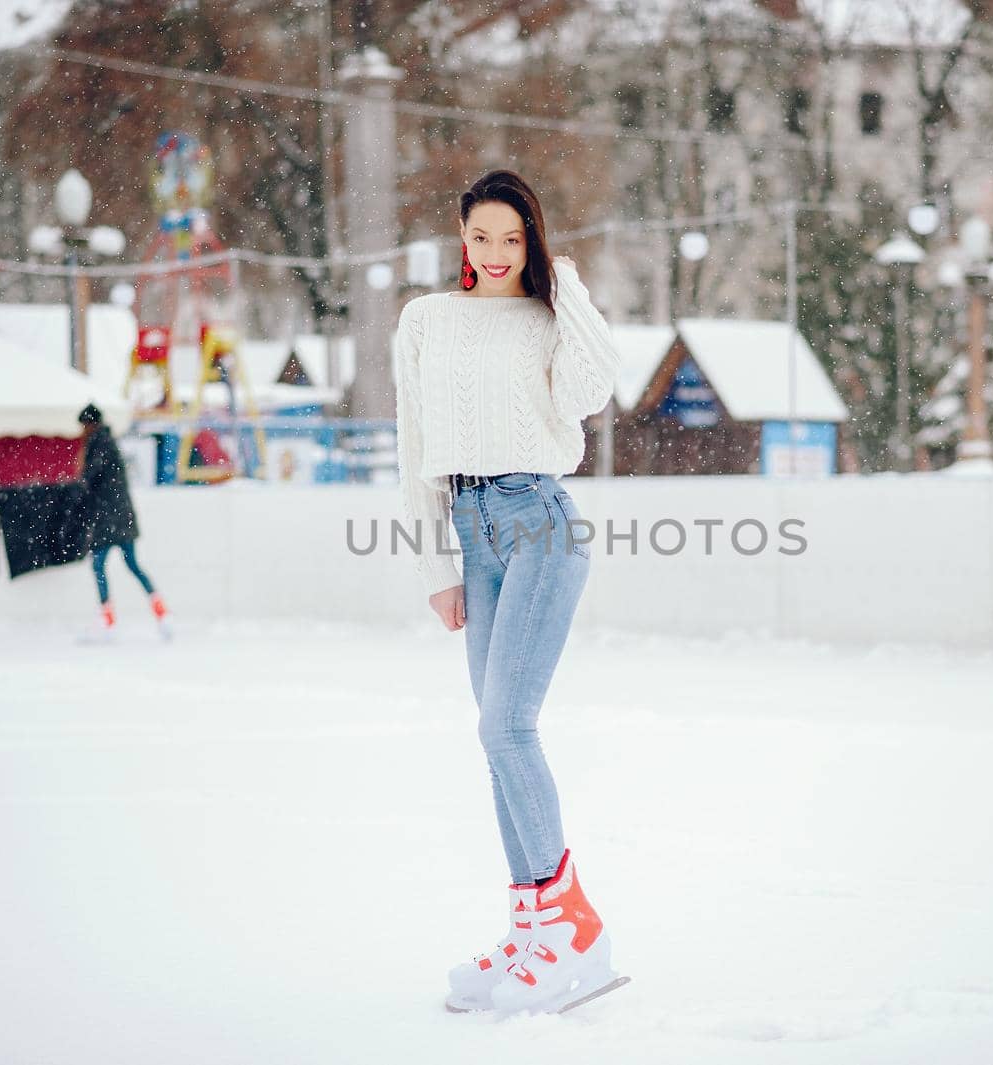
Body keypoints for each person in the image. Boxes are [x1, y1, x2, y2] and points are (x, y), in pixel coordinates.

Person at [394, 170, 623, 1015]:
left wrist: (567, 287)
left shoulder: (549, 316)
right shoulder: (425, 321)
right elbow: (412, 443)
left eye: (513, 239)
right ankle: (534, 926)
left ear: (534, 241)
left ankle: (573, 928)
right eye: (481, 237)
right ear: (462, 236)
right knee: (495, 737)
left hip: (540, 519)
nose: (495, 255)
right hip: (472, 525)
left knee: (507, 723)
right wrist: (436, 568)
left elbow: (593, 387)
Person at [76, 404, 167, 634]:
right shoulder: (106, 442)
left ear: (90, 424)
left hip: (110, 519)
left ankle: (107, 617)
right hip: (121, 517)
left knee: (99, 566)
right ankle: (160, 609)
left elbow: (88, 478)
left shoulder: (100, 444)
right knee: (132, 565)